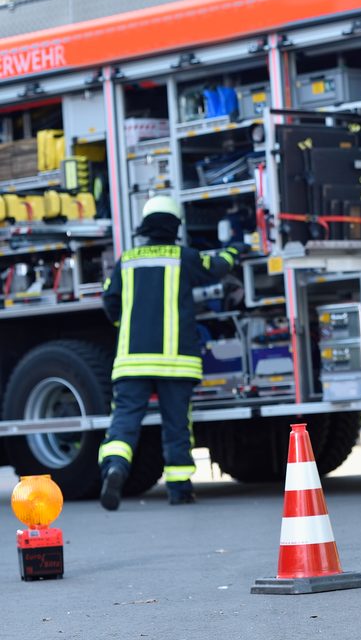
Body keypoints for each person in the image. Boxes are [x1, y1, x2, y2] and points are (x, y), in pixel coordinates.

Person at [98, 195, 247, 510]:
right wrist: (236, 249)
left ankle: (115, 467)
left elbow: (110, 300)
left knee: (124, 421)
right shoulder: (184, 257)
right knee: (177, 425)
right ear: (175, 226)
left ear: (146, 225)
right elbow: (216, 267)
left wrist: (125, 326)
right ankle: (179, 490)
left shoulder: (128, 259)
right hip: (176, 363)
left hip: (132, 362)